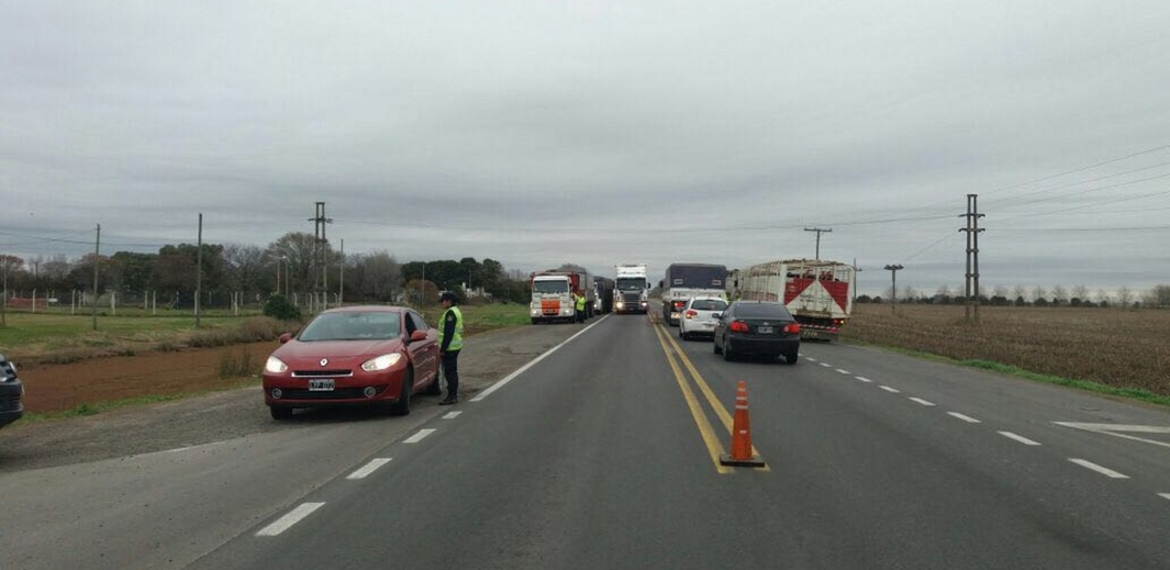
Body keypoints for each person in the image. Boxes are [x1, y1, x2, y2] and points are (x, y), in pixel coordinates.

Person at [437, 291, 463, 405]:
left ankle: (452, 396)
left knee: (450, 372)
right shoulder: (455, 311)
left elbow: (448, 333)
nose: (442, 303)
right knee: (452, 371)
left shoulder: (450, 313)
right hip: (455, 346)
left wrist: (443, 349)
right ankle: (452, 395)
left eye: (443, 301)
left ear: (449, 301)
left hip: (450, 347)